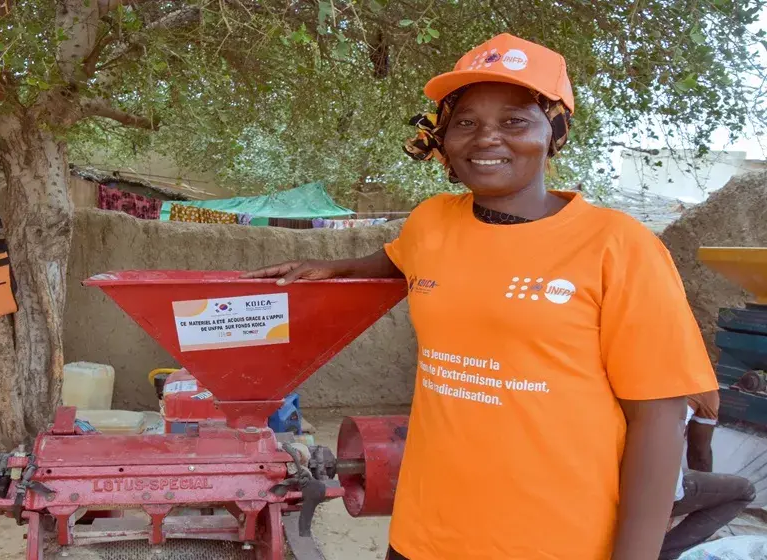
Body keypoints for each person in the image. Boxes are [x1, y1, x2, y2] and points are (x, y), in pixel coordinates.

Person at [244, 33, 719, 559]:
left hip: (556, 540)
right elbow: (399, 262)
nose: (486, 138)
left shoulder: (619, 245)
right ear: (443, 139)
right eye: (465, 122)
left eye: (515, 119)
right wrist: (334, 268)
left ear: (553, 130)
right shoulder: (431, 223)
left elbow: (658, 419)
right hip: (423, 534)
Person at [660, 391, 756, 559]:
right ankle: (664, 553)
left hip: (609, 475)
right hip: (650, 485)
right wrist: (702, 501)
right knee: (745, 491)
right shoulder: (702, 387)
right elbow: (699, 453)